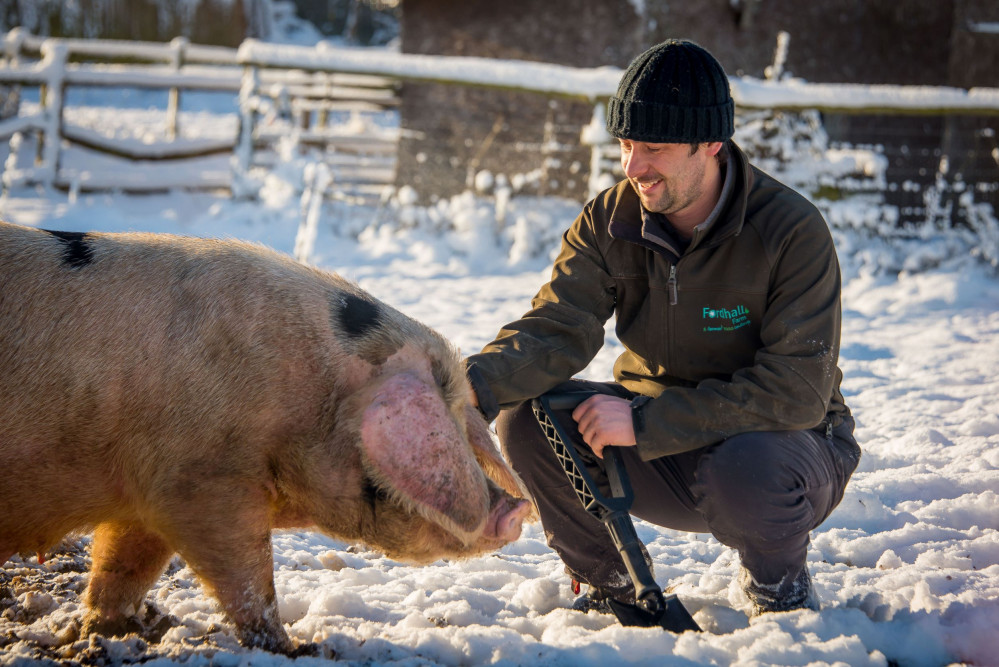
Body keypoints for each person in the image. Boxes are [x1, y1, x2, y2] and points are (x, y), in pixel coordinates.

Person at [464, 39, 861, 621]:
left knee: (748, 469)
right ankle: (615, 588)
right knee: (525, 420)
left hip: (786, 453)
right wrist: (465, 387)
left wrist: (646, 422)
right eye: (626, 144)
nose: (633, 166)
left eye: (654, 147)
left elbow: (797, 392)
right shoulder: (611, 219)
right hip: (657, 448)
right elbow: (557, 327)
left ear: (712, 145)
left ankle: (780, 590)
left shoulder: (790, 232)